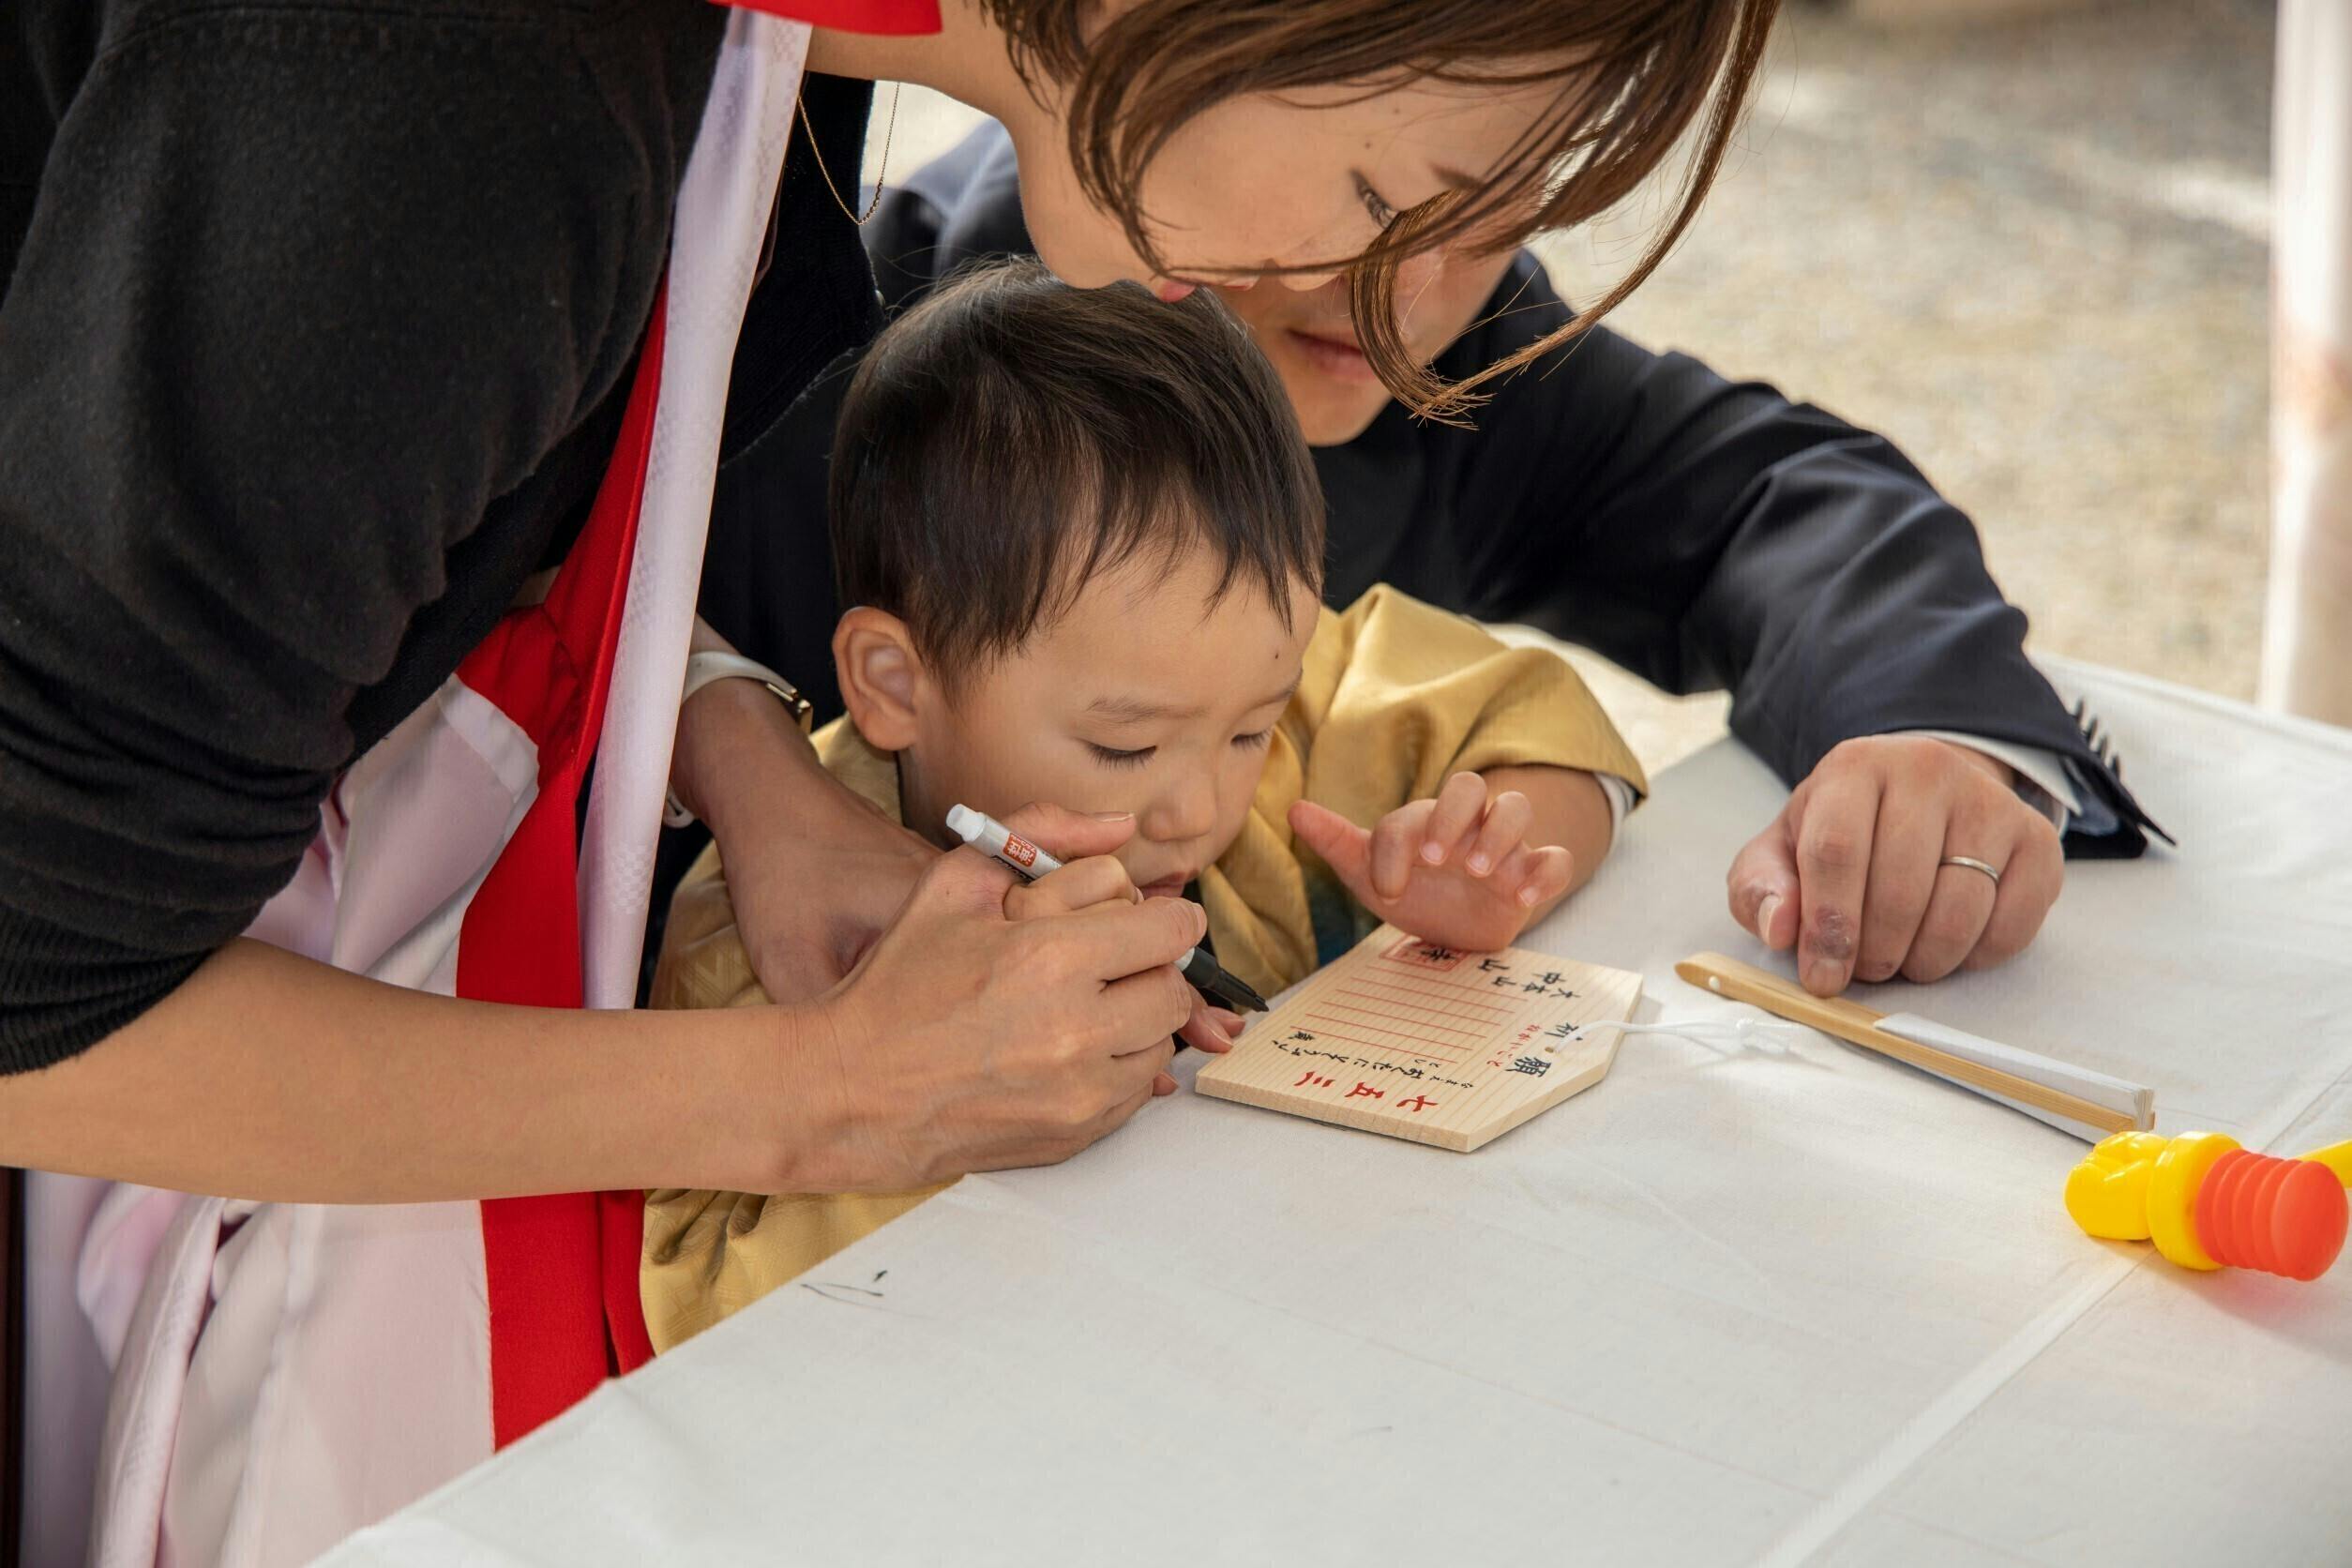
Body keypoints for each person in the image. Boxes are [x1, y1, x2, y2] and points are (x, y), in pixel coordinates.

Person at [0, 1, 1782, 1560]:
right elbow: (41, 1010)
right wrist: (824, 1095)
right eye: (1389, 203)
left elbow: (442, 523)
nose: (1396, 320)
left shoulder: (761, 63)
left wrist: (748, 761)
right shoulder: (430, 92)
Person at [695, 118, 2168, 1024]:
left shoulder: (1440, 350)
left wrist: (1929, 739)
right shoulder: (803, 388)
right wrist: (740, 761)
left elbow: (1771, 491)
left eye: (1492, 200)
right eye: (1359, 193)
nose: (1408, 293)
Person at [640, 261, 1652, 1346]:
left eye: (1253, 729)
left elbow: (1541, 723)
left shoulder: (1214, 689)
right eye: (1125, 747)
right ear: (898, 684)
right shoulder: (777, 936)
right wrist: (962, 1096)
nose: (1201, 802)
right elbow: (707, 1305)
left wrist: (1493, 865)